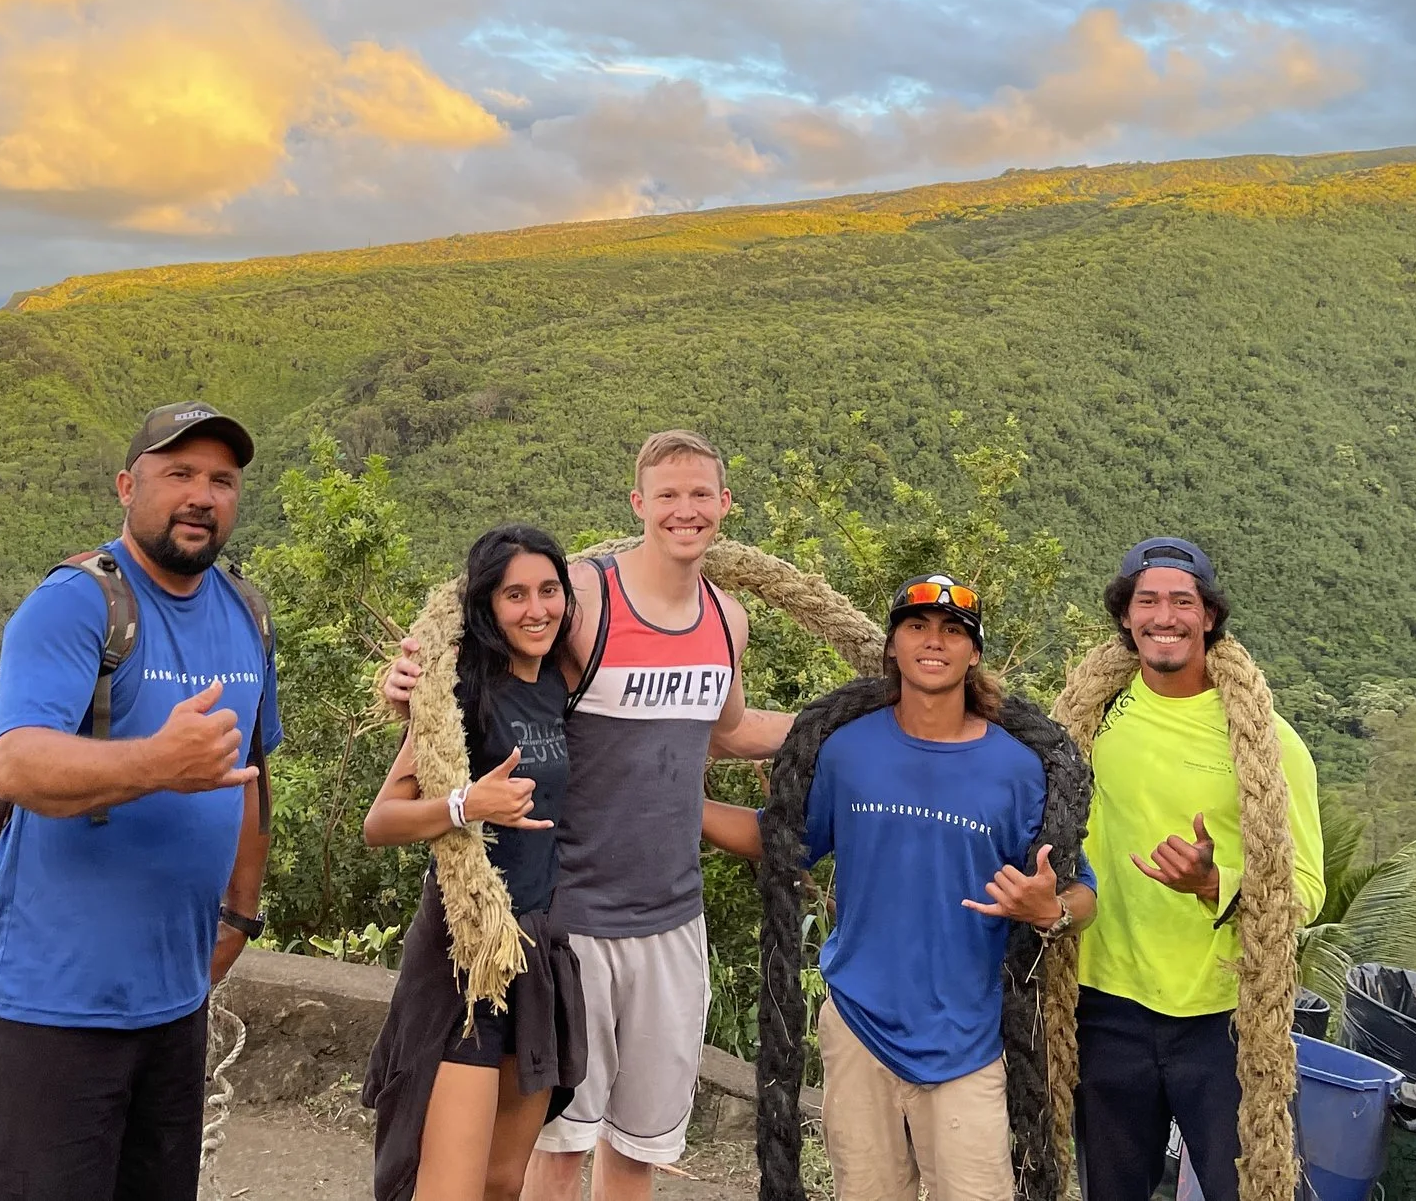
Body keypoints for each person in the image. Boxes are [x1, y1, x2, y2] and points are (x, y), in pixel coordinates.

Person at [382, 430, 789, 1201]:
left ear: (726, 504)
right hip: (570, 919)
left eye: (702, 493)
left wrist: (838, 720)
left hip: (673, 918)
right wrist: (415, 677)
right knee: (558, 1147)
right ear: (637, 504)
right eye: (667, 494)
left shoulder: (726, 618)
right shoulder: (585, 598)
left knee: (639, 1147)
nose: (685, 510)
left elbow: (728, 729)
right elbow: (495, 640)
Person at [0, 401, 278, 1201]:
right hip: (55, 1003)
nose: (202, 495)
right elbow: (20, 764)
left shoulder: (247, 613)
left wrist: (240, 915)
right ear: (126, 486)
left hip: (175, 1000)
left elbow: (248, 769)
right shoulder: (75, 604)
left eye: (221, 479)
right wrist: (155, 762)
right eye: (178, 474)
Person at [702, 576, 1096, 1201]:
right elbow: (783, 842)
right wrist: (685, 803)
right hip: (860, 1026)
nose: (933, 642)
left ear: (975, 653)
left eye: (952, 631)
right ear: (892, 645)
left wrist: (1050, 911)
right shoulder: (848, 750)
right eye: (916, 627)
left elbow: (1082, 894)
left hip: (970, 1039)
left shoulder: (1020, 769)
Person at [1050, 538, 1324, 1201]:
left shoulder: (1268, 742)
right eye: (1147, 600)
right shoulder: (1088, 723)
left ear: (1208, 616)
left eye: (1182, 601)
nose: (1163, 616)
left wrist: (1214, 883)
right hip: (1104, 1006)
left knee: (1249, 1186)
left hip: (1222, 1018)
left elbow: (1307, 890)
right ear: (1125, 615)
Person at [362, 525, 590, 1201]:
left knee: (500, 1182)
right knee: (448, 1188)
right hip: (465, 952)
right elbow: (382, 821)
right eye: (514, 594)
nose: (535, 609)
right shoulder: (464, 690)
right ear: (486, 606)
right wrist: (468, 801)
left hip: (537, 951)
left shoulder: (558, 681)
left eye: (548, 590)